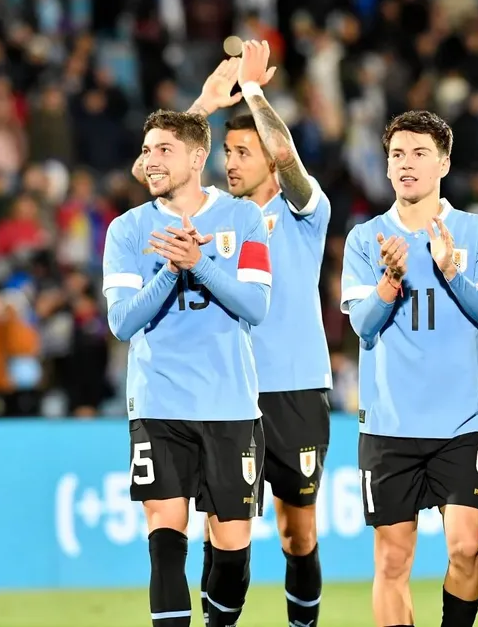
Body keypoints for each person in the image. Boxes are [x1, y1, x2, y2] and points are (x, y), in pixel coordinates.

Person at [339, 110, 478, 627]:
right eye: (397, 154)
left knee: (466, 549)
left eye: (419, 153)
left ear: (444, 163)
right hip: (389, 425)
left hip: (460, 424)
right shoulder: (366, 238)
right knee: (392, 561)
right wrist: (390, 280)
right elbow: (362, 326)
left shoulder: (474, 232)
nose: (406, 164)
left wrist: (451, 269)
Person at [104, 109, 272, 627]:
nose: (151, 161)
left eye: (164, 150)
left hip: (230, 404)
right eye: (146, 150)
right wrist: (169, 272)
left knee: (232, 552)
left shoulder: (243, 218)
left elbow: (256, 306)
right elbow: (122, 322)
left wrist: (199, 264)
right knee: (165, 536)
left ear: (198, 158)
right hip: (159, 403)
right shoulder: (127, 230)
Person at [186, 41, 332, 627]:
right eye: (227, 152)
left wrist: (252, 93)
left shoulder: (304, 213)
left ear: (269, 159)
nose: (231, 163)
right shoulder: (218, 216)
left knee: (298, 535)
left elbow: (289, 157)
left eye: (243, 152)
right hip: (228, 393)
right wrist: (203, 106)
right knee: (223, 530)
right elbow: (157, 167)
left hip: (295, 389)